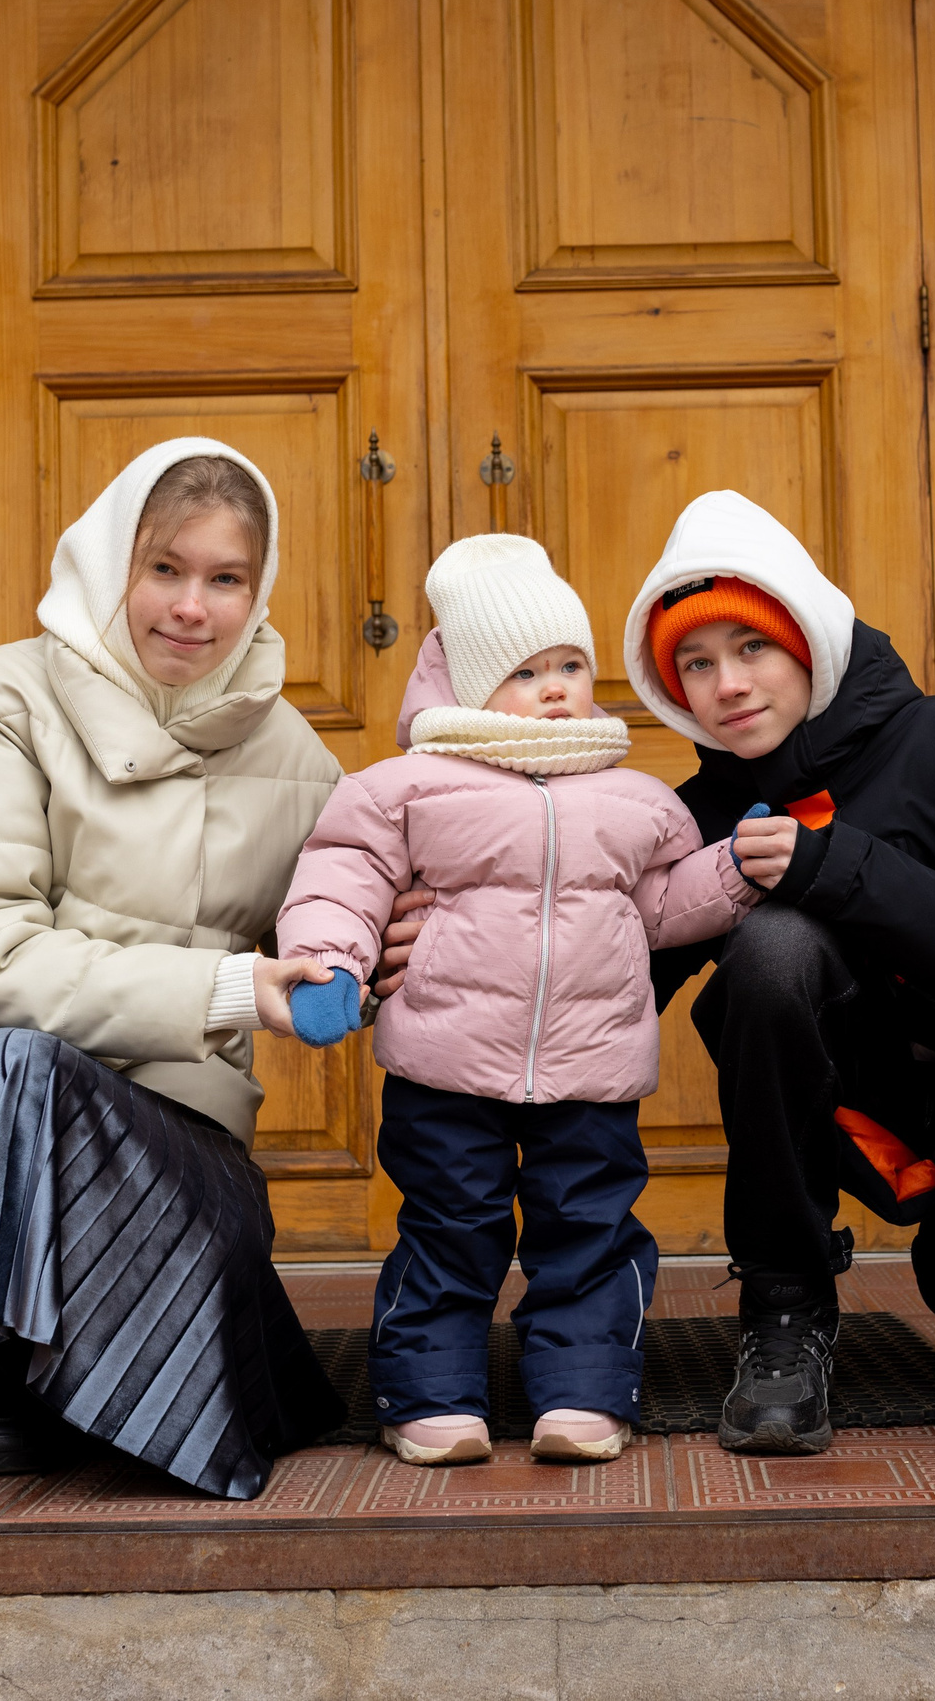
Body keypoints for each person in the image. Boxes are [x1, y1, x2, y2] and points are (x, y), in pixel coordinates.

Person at [375, 491, 935, 1457]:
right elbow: (596, 972)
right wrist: (437, 944)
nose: (726, 683)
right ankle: (786, 1310)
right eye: (696, 662)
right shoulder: (691, 818)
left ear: (808, 642)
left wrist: (838, 865)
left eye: (752, 648)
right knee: (774, 947)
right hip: (838, 1102)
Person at [0, 438, 350, 1499]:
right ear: (110, 561)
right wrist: (222, 990)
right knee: (14, 1067)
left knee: (81, 1108)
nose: (191, 607)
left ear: (258, 591)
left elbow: (350, 930)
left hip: (165, 1137)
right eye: (163, 568)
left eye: (225, 579)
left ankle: (115, 1377)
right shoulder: (2, 701)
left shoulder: (299, 760)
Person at [271, 535, 775, 1466]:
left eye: (571, 666)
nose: (555, 689)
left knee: (588, 1226)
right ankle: (428, 1393)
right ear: (465, 686)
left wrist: (733, 872)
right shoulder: (405, 787)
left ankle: (583, 1393)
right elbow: (343, 878)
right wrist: (326, 966)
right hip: (445, 1065)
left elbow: (660, 908)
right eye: (525, 671)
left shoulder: (633, 799)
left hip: (590, 1069)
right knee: (448, 1224)